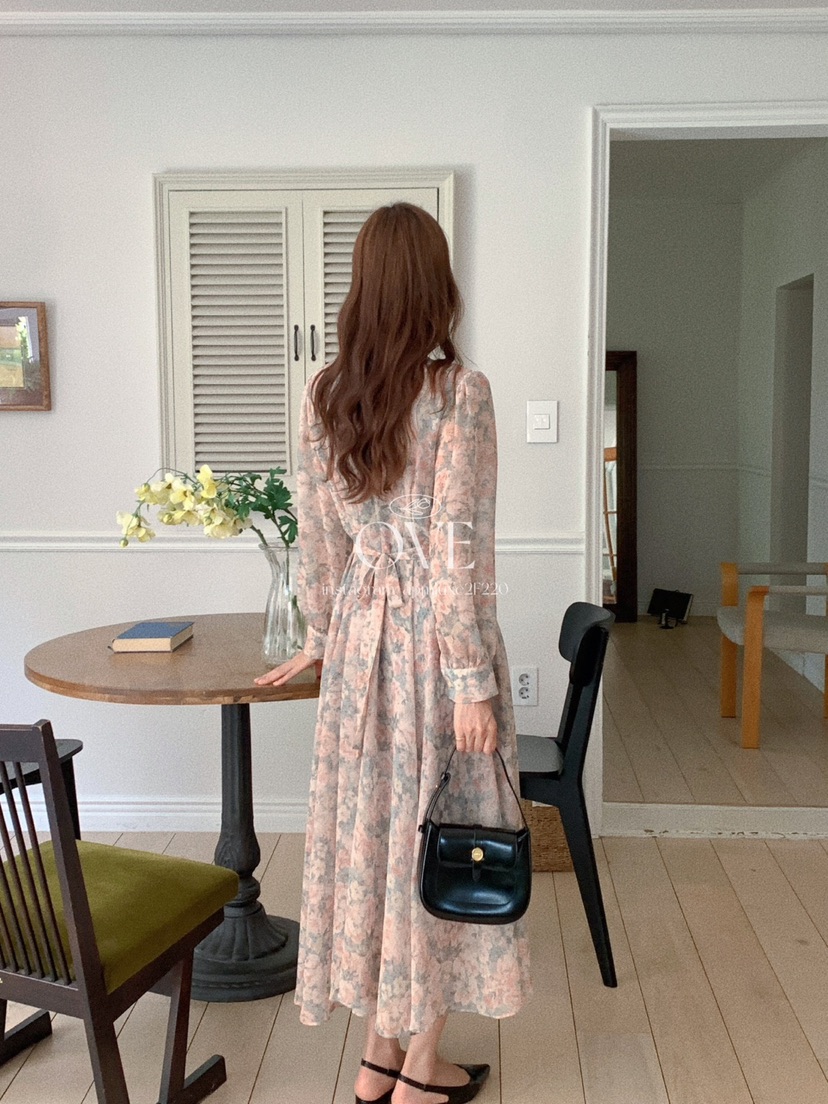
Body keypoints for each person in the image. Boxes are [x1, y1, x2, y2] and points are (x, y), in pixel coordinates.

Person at [255, 203, 531, 1104]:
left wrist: (323, 638)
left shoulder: (326, 394)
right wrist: (471, 681)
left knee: (379, 843)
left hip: (360, 655)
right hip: (434, 658)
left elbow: (319, 543)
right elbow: (454, 550)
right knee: (448, 838)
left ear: (363, 288)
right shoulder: (459, 393)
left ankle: (382, 1056)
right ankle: (418, 1068)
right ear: (435, 286)